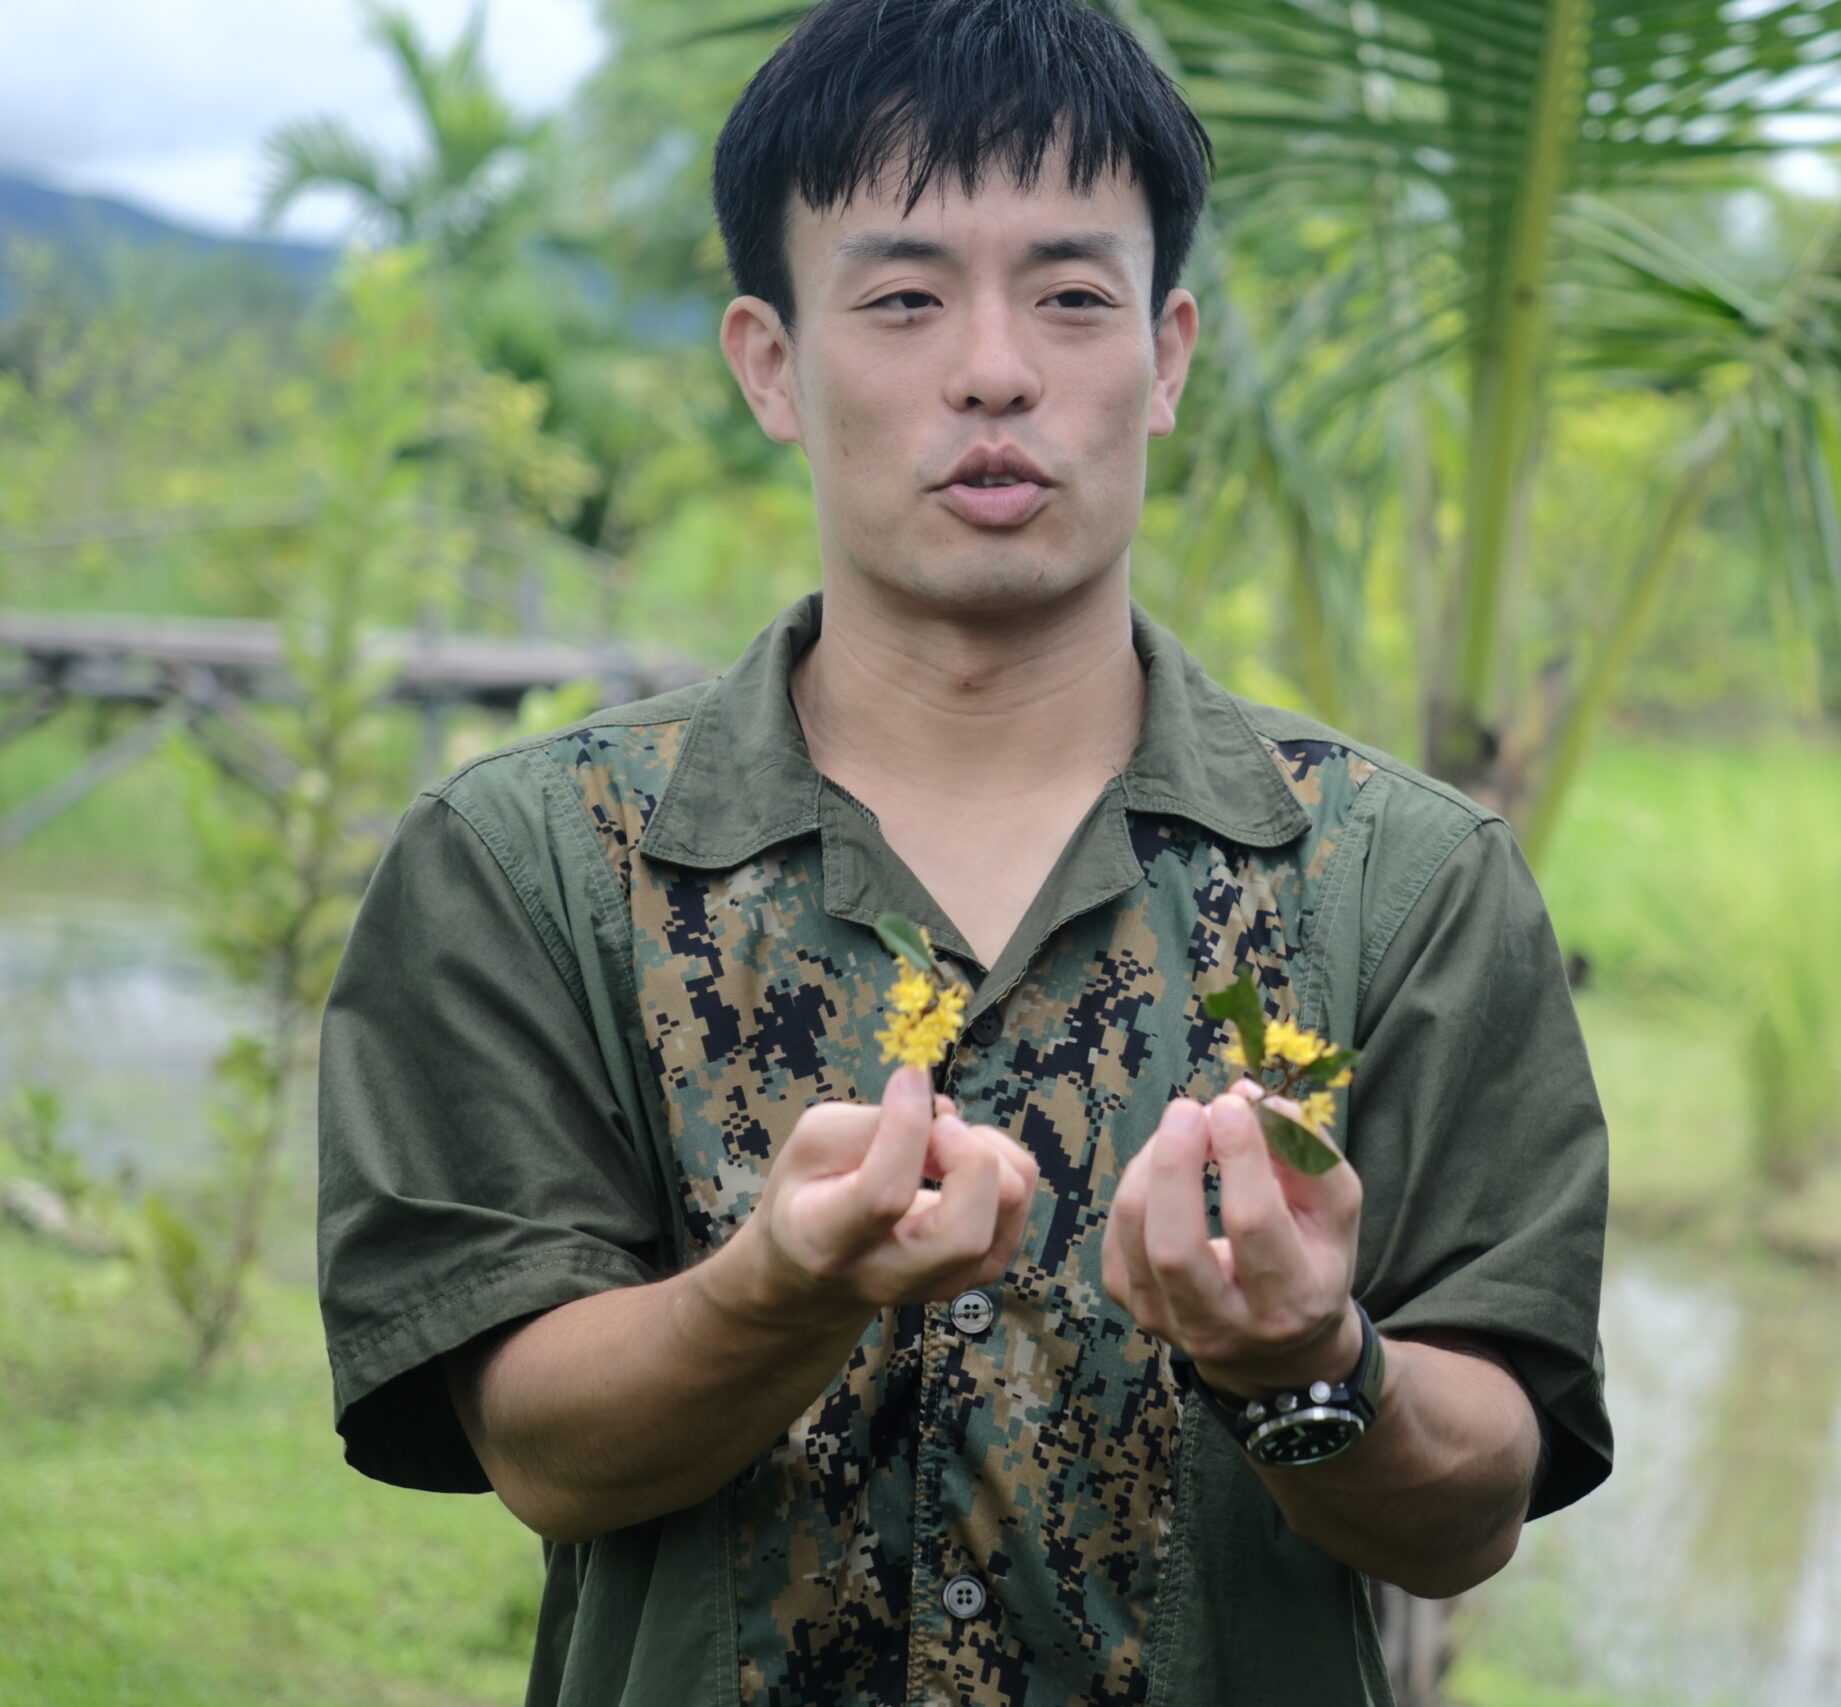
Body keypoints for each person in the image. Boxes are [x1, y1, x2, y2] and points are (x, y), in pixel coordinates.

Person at [312, 3, 1612, 1703]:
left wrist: (1312, 1354)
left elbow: (1472, 1508)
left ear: (1167, 356)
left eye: (1074, 296)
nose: (995, 367)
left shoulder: (1401, 882)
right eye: (905, 296)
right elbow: (543, 1450)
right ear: (770, 362)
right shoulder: (539, 864)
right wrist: (773, 1294)